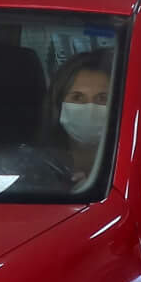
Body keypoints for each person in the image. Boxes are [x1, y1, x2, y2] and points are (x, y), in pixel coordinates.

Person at [50, 51, 113, 187]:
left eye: (102, 98)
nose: (90, 108)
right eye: (77, 97)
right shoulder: (39, 163)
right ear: (58, 103)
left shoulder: (130, 167)